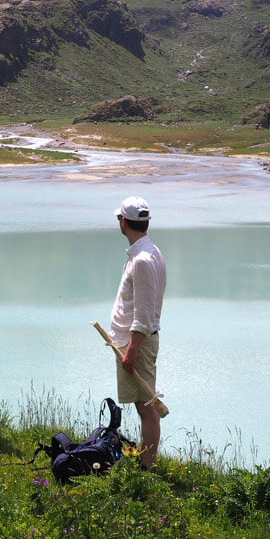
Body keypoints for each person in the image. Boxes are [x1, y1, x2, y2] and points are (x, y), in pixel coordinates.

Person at [109, 196, 166, 469]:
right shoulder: (148, 251)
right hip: (135, 342)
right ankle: (146, 463)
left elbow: (143, 313)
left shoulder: (142, 260)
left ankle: (146, 467)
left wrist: (131, 351)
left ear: (123, 222)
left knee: (146, 407)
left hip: (137, 345)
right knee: (145, 406)